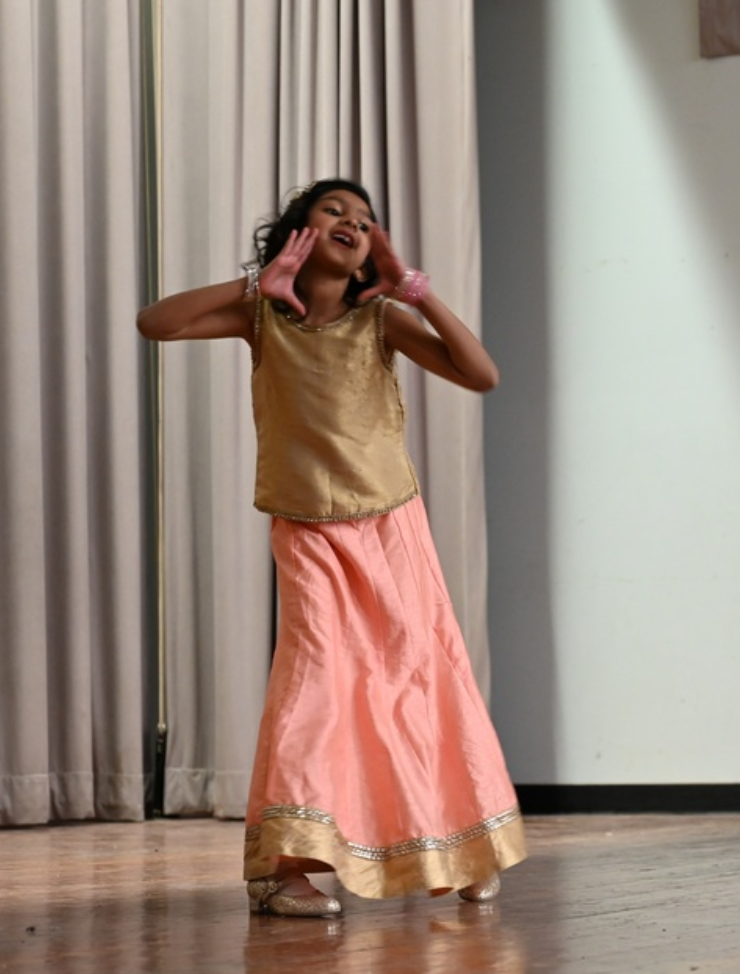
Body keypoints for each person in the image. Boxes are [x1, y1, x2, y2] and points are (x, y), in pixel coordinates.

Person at [136, 179, 520, 917]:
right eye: (335, 210)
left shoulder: (380, 319)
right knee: (315, 684)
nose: (353, 222)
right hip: (308, 527)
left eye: (365, 220)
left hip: (392, 526)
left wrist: (415, 292)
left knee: (417, 676)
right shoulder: (261, 317)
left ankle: (460, 847)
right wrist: (259, 282)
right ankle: (287, 868)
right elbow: (155, 322)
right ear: (300, 231)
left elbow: (482, 374)